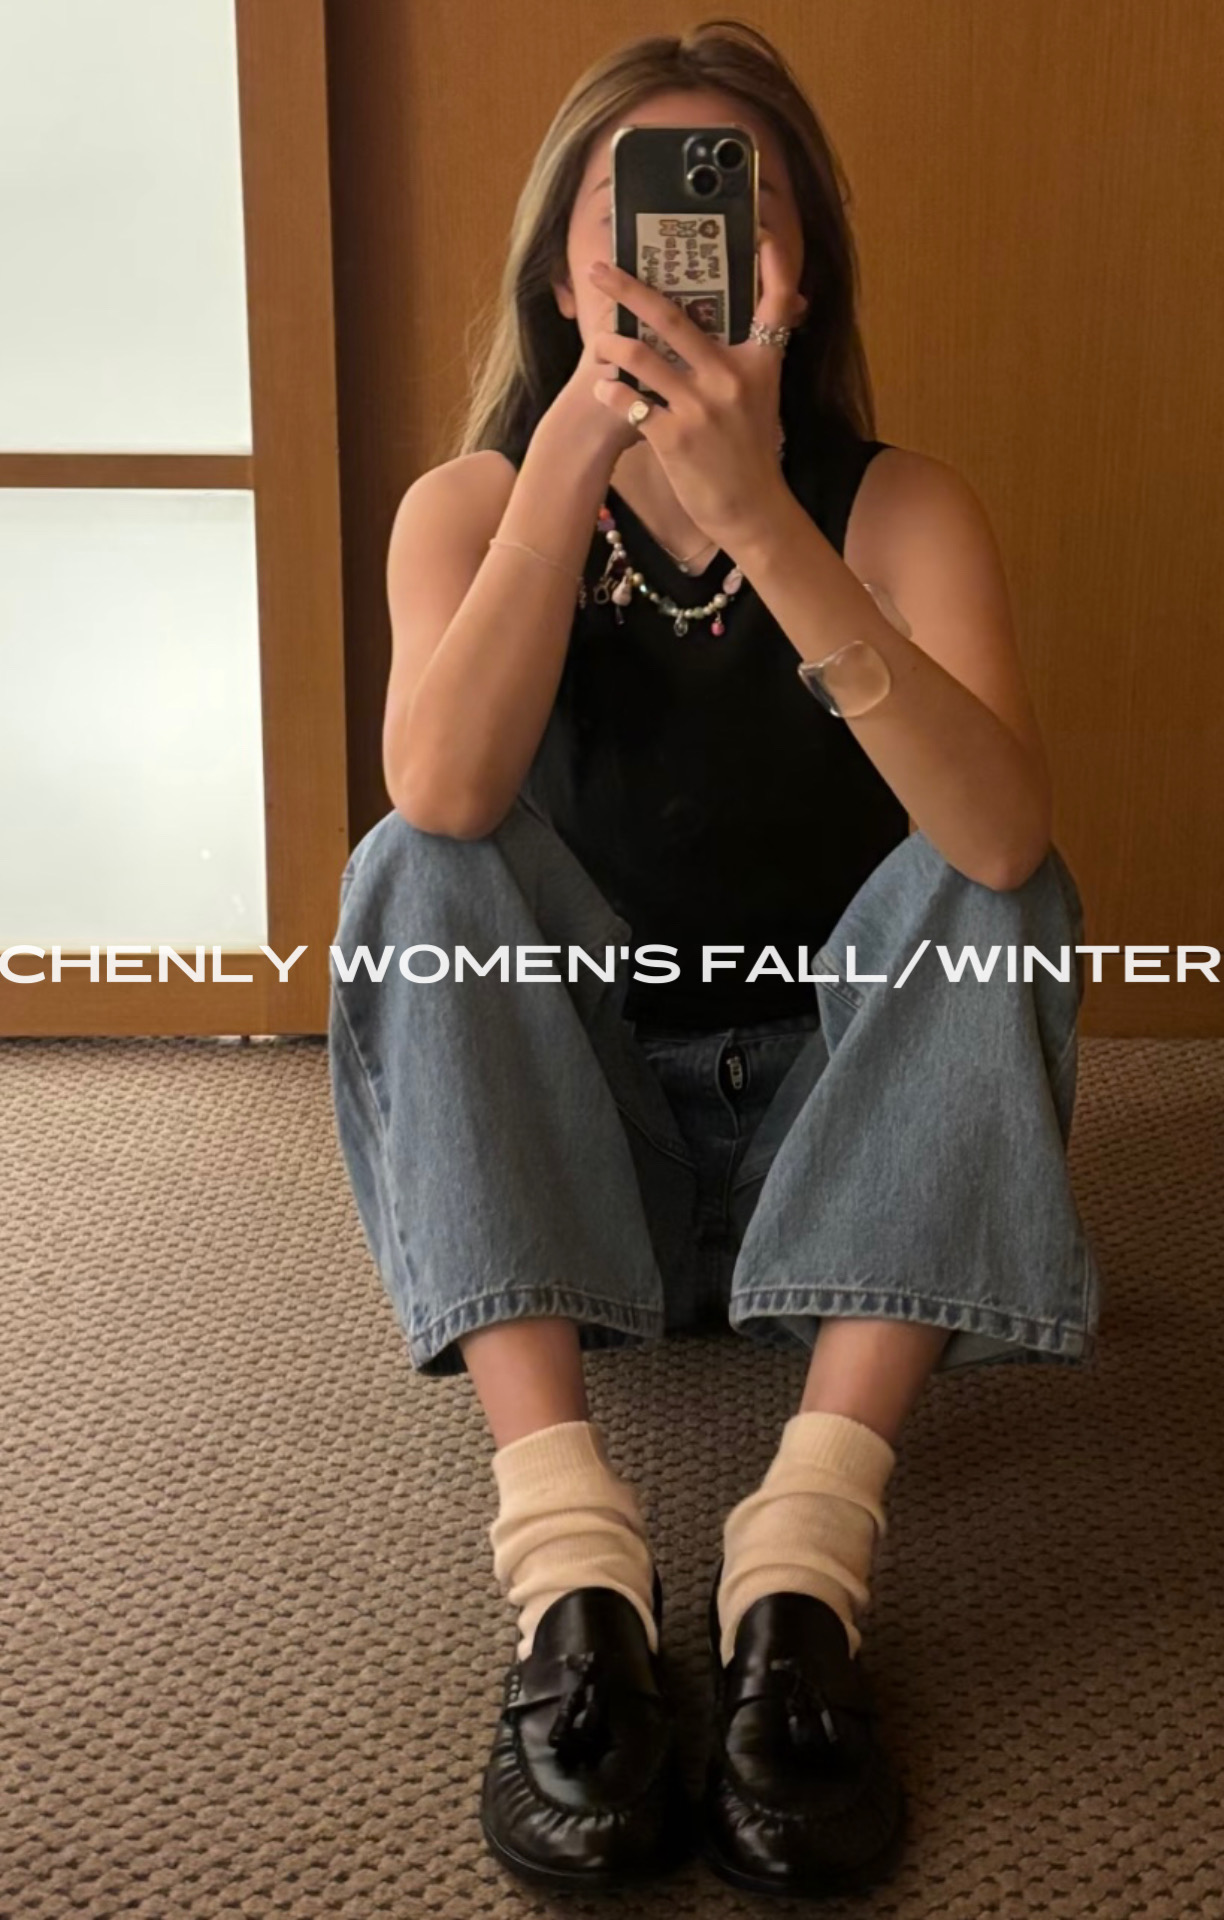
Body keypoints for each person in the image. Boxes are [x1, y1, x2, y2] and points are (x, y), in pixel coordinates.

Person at [327, 17, 1100, 1900]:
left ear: (795, 269)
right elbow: (444, 792)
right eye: (631, 216)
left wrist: (762, 516)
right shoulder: (464, 505)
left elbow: (1000, 845)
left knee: (994, 880)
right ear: (559, 268)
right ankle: (569, 1568)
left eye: (727, 211)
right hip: (588, 1151)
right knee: (416, 866)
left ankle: (805, 1561)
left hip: (840, 1151)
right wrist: (566, 471)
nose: (676, 257)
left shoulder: (902, 507)